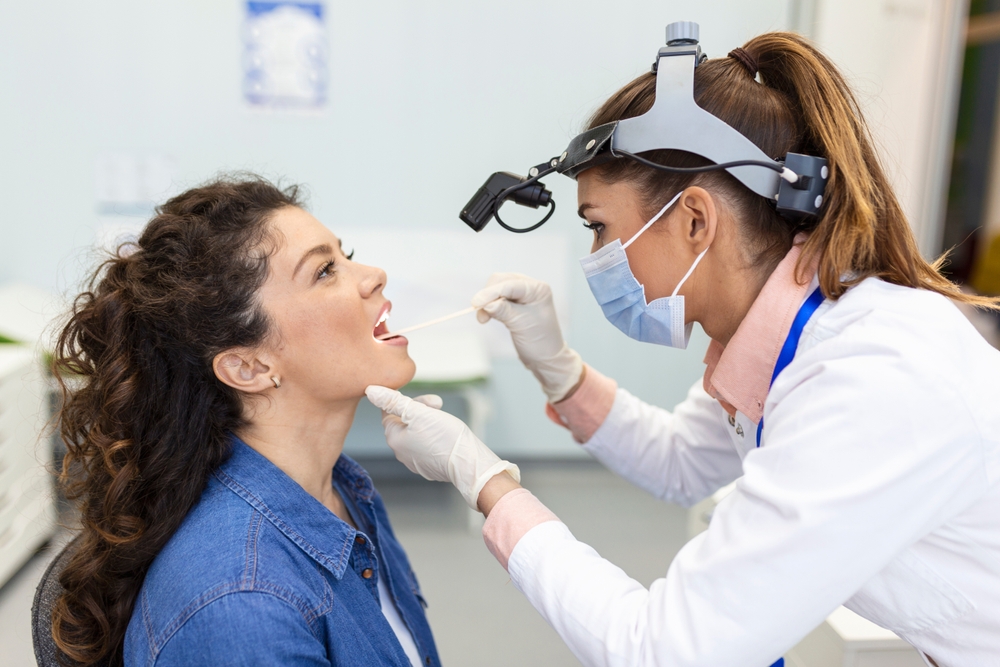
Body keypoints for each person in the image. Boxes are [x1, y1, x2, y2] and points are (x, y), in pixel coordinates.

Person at [365, 32, 1000, 667]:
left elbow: (667, 652)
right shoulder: (784, 332)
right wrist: (556, 369)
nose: (597, 260)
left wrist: (485, 483)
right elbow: (680, 461)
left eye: (600, 229)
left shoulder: (868, 379)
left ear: (695, 220)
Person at [51, 176, 442, 667]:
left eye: (345, 256)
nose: (373, 275)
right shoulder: (243, 606)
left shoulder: (341, 489)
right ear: (250, 367)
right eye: (325, 271)